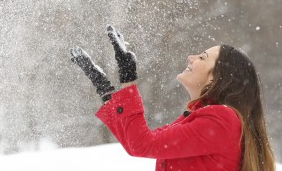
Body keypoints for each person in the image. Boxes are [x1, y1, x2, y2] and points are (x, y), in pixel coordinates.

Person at [70, 25, 275, 171]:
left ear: (216, 79)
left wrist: (128, 80)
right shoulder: (205, 119)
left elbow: (143, 144)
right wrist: (106, 92)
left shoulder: (222, 121)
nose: (191, 57)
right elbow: (137, 142)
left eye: (202, 57)